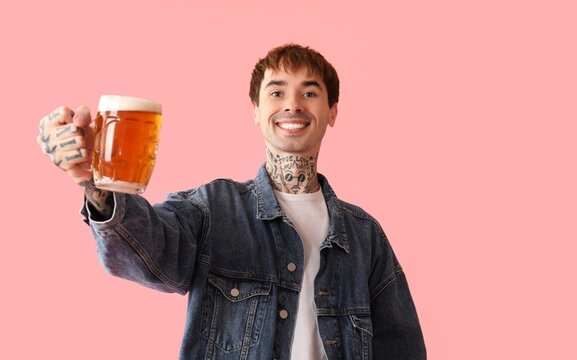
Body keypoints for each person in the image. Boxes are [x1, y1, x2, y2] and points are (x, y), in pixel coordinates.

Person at [36, 43, 426, 360]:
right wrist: (96, 186)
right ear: (256, 111)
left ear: (332, 112)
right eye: (276, 92)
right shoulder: (213, 208)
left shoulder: (364, 236)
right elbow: (145, 253)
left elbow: (402, 350)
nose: (293, 104)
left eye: (310, 92)